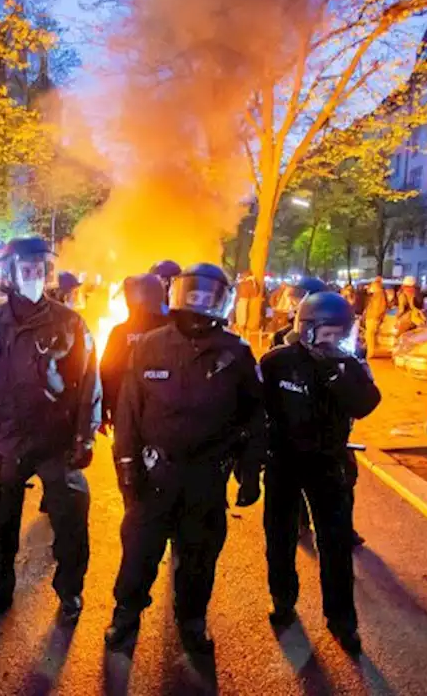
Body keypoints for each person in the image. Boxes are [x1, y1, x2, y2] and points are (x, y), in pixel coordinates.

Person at [104, 263, 264, 655]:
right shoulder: (149, 345)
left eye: (208, 297)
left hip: (207, 478)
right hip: (155, 472)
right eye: (193, 294)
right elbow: (128, 410)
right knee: (139, 551)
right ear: (178, 295)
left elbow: (255, 417)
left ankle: (191, 619)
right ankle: (126, 614)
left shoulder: (236, 354)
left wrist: (249, 472)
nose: (199, 303)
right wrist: (126, 465)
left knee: (199, 556)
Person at [0, 236, 100, 625]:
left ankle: (70, 591)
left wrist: (85, 436)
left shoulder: (70, 322)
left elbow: (89, 383)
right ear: (9, 273)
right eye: (26, 269)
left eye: (39, 269)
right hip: (10, 442)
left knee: (71, 520)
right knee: (0, 522)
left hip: (57, 442)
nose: (33, 276)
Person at [254, 292, 380, 654]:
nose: (334, 340)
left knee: (335, 543)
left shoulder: (349, 365)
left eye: (340, 333)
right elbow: (257, 408)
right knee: (279, 535)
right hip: (283, 462)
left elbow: (366, 404)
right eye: (327, 332)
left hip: (327, 464)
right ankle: (282, 598)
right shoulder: (278, 362)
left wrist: (333, 369)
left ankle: (341, 618)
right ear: (306, 329)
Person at [99, 274, 169, 430]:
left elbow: (106, 371)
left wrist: (102, 411)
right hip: (166, 415)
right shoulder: (175, 329)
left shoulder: (121, 332)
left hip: (126, 412)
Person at [270, 277, 326, 348]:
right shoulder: (304, 306)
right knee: (278, 336)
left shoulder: (317, 310)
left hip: (308, 334)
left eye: (301, 294)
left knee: (286, 339)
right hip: (300, 330)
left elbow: (300, 330)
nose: (294, 301)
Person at [363, 277, 388, 356]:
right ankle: (369, 351)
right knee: (369, 335)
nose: (371, 288)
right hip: (371, 317)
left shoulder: (379, 295)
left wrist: (377, 316)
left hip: (373, 317)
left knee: (370, 335)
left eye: (373, 286)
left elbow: (381, 307)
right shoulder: (376, 295)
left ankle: (370, 353)